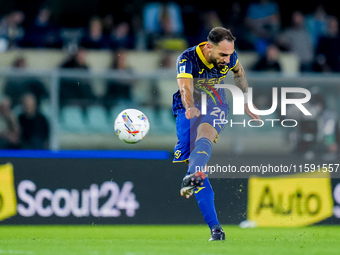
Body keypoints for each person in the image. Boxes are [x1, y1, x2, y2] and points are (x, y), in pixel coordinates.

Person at [172, 27, 260, 241]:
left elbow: (239, 73)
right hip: (188, 104)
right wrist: (190, 106)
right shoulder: (188, 58)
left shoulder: (230, 57)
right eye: (223, 55)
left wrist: (246, 102)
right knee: (194, 163)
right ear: (209, 47)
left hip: (215, 100)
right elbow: (184, 88)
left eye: (230, 54)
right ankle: (216, 229)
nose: (227, 59)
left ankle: (192, 175)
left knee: (205, 134)